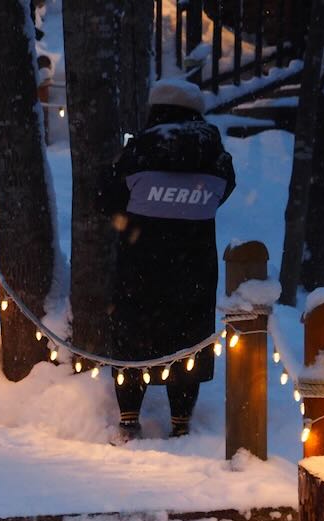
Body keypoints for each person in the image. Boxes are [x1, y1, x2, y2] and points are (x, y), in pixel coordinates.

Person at [98, 78, 236, 440]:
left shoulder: (137, 154)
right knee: (188, 343)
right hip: (195, 272)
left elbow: (104, 198)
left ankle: (128, 418)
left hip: (138, 270)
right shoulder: (217, 159)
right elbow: (224, 193)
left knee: (132, 341)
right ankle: (180, 422)